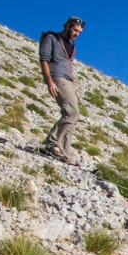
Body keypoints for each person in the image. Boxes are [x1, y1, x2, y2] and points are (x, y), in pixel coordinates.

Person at [38, 16, 85, 165]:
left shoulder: (71, 44)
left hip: (67, 80)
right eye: (75, 30)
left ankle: (66, 152)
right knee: (71, 112)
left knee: (73, 114)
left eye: (79, 32)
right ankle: (52, 143)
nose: (77, 34)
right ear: (68, 26)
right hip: (57, 78)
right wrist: (49, 81)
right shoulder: (51, 37)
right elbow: (44, 59)